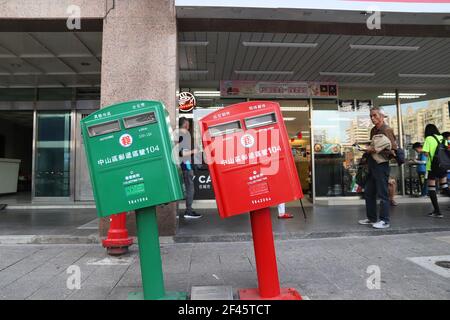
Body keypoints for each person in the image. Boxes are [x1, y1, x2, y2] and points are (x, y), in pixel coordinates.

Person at [359, 106, 398, 229]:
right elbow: (373, 145)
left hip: (381, 165)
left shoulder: (387, 130)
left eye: (375, 115)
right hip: (372, 165)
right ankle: (372, 218)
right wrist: (366, 148)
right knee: (369, 192)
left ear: (382, 116)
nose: (372, 118)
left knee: (382, 194)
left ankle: (384, 220)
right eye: (371, 116)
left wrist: (376, 149)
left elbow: (393, 149)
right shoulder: (373, 130)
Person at [422, 124, 449, 218]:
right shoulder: (442, 137)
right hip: (443, 166)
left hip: (432, 167)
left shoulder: (428, 139)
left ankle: (437, 211)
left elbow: (425, 153)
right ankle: (436, 211)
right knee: (444, 187)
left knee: (431, 189)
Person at [179, 117, 202, 219]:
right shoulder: (183, 136)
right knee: (190, 189)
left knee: (189, 188)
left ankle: (189, 209)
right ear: (185, 125)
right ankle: (188, 211)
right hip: (186, 165)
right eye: (187, 124)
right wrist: (194, 151)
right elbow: (182, 153)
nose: (188, 126)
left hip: (186, 165)